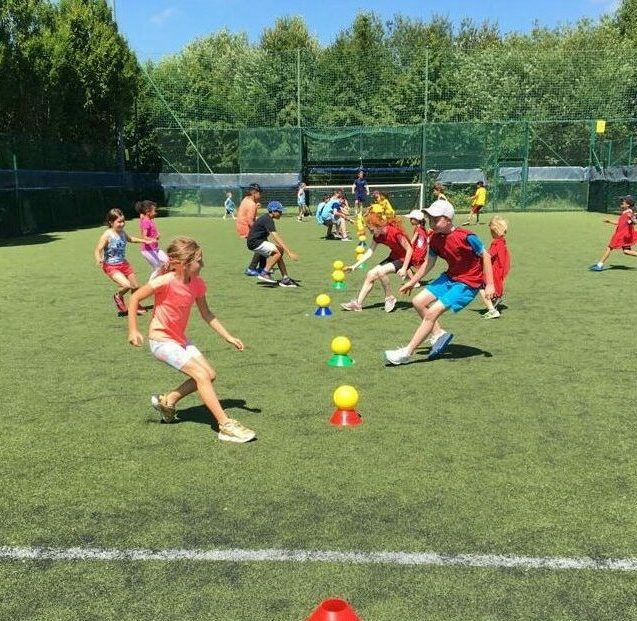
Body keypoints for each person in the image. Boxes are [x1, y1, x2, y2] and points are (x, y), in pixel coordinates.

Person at [127, 237, 256, 443]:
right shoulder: (165, 281)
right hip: (160, 340)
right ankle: (225, 425)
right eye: (199, 260)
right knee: (201, 375)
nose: (202, 264)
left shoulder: (197, 284)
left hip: (179, 339)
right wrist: (133, 330)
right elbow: (134, 298)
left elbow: (207, 314)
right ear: (184, 263)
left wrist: (229, 337)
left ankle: (168, 401)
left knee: (209, 375)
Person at [384, 199, 495, 365]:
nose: (432, 223)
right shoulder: (434, 238)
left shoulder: (467, 237)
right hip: (450, 277)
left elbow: (485, 256)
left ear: (448, 219)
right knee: (417, 301)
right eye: (430, 219)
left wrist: (490, 284)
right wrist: (412, 281)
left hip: (467, 283)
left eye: (436, 220)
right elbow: (429, 263)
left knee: (431, 313)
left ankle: (407, 352)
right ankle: (438, 334)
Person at [340, 212, 412, 312]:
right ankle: (358, 304)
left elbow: (409, 249)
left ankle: (389, 298)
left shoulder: (395, 232)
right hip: (394, 257)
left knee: (381, 271)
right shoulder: (377, 236)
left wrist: (404, 268)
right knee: (370, 274)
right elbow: (369, 252)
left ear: (379, 226)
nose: (371, 233)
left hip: (405, 259)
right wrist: (354, 266)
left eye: (372, 230)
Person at [94, 208, 153, 315]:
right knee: (126, 285)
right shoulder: (107, 234)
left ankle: (135, 304)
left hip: (123, 264)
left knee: (135, 286)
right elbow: (98, 249)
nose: (122, 224)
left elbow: (130, 239)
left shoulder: (122, 233)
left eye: (123, 221)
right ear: (111, 222)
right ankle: (118, 296)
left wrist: (144, 240)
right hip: (111, 266)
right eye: (119, 222)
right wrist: (98, 259)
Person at [247, 201, 299, 287]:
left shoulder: (267, 218)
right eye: (280, 211)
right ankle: (264, 273)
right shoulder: (267, 219)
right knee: (278, 252)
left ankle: (285, 279)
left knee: (279, 251)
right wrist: (289, 252)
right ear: (273, 211)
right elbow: (276, 237)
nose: (281, 213)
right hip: (255, 243)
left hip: (257, 241)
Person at [590, 195, 637, 271]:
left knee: (610, 247)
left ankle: (600, 265)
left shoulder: (629, 213)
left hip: (622, 235)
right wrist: (609, 221)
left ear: (628, 204)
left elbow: (635, 222)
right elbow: (620, 223)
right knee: (626, 251)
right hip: (625, 235)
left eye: (623, 202)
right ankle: (599, 264)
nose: (621, 203)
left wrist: (632, 219)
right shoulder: (625, 212)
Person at [480, 216, 510, 318]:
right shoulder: (503, 242)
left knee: (480, 286)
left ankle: (491, 308)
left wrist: (479, 253)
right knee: (494, 285)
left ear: (495, 231)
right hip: (499, 269)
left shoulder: (496, 243)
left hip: (493, 270)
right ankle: (495, 299)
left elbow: (489, 255)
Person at [236, 183, 266, 276]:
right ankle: (251, 269)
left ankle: (262, 268)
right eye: (259, 193)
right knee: (262, 244)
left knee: (264, 242)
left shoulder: (246, 199)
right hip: (246, 227)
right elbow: (250, 221)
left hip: (240, 226)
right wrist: (260, 230)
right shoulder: (251, 204)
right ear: (254, 193)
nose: (260, 196)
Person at [135, 200, 168, 280]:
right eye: (154, 211)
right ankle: (150, 287)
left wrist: (156, 236)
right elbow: (144, 236)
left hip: (155, 249)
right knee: (158, 268)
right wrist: (152, 240)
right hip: (147, 250)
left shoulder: (150, 220)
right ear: (148, 212)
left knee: (167, 261)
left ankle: (161, 283)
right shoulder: (146, 221)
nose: (156, 212)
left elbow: (152, 234)